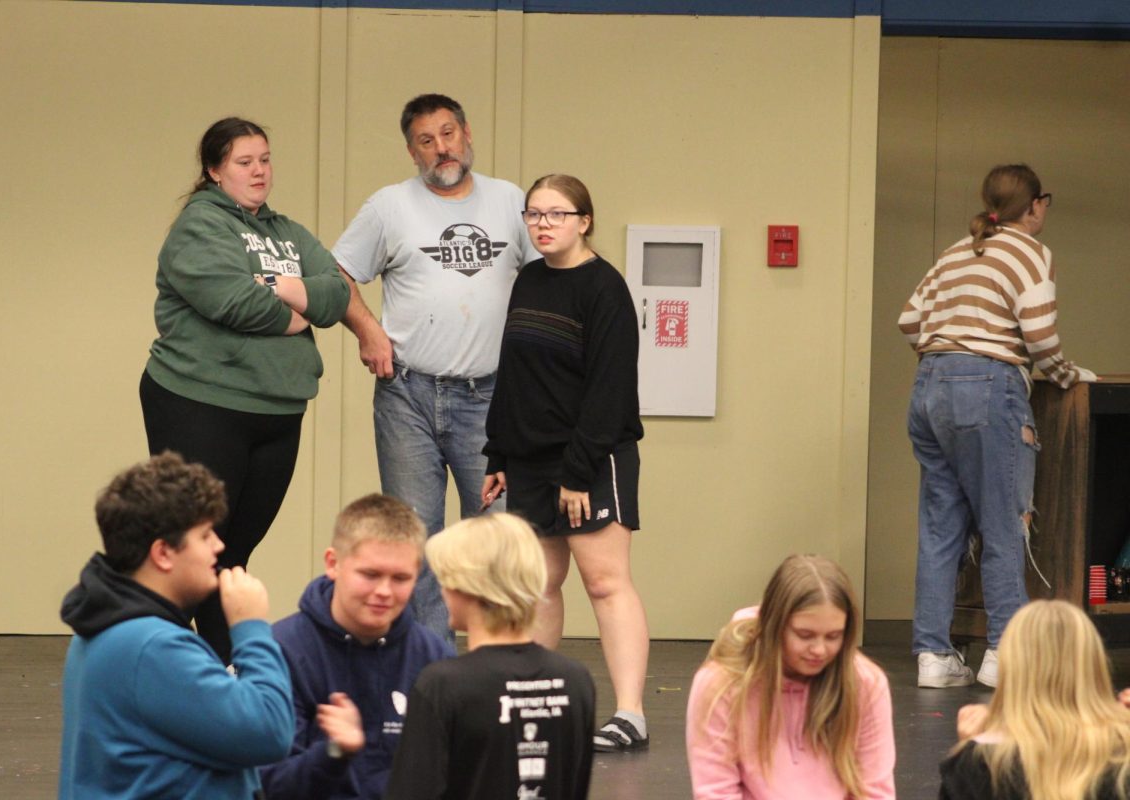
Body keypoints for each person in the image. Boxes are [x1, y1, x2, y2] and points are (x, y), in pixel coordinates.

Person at [140, 117, 350, 663]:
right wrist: (298, 313)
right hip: (202, 403)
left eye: (265, 159)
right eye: (243, 161)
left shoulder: (286, 231)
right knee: (191, 549)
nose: (259, 171)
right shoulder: (199, 227)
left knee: (234, 553)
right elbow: (235, 303)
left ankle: (218, 672)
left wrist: (285, 288)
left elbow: (335, 293)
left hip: (278, 411)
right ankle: (156, 664)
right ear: (214, 170)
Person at [332, 93, 536, 639]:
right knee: (414, 538)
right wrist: (368, 329)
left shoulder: (510, 201)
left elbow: (550, 280)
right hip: (408, 396)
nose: (441, 148)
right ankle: (430, 673)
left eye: (448, 133)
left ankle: (494, 667)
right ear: (411, 151)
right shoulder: (388, 207)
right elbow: (336, 275)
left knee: (496, 539)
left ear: (467, 134)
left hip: (492, 398)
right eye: (427, 140)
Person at [899, 164, 1095, 689]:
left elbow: (909, 321)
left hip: (928, 388)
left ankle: (933, 658)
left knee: (941, 530)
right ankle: (1002, 654)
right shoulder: (1030, 252)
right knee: (1005, 523)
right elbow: (1039, 335)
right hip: (988, 387)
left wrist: (948, 354)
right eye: (1044, 201)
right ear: (1033, 205)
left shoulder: (957, 251)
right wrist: (1065, 374)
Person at [481, 173, 649, 752]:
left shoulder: (605, 288)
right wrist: (498, 453)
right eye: (534, 214)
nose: (543, 224)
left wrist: (578, 472)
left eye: (556, 214)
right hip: (528, 460)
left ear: (584, 221)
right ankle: (538, 703)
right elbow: (514, 373)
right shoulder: (529, 280)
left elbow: (609, 391)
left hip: (592, 458)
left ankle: (630, 714)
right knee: (541, 585)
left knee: (605, 582)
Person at [58, 452, 294, 800]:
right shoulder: (151, 647)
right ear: (163, 553)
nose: (219, 546)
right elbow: (269, 731)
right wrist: (251, 627)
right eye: (205, 535)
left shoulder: (106, 628)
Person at [383, 513, 595, 800]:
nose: (442, 592)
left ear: (466, 587)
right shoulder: (575, 681)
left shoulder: (443, 685)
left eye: (445, 580)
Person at [259, 494, 455, 800]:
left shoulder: (432, 657)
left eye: (401, 578)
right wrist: (334, 752)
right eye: (370, 574)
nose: (384, 592)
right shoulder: (280, 651)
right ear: (333, 563)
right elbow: (267, 785)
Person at [685, 554, 896, 799]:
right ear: (775, 625)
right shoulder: (721, 684)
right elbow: (716, 791)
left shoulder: (866, 683)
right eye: (805, 635)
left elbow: (875, 790)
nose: (819, 650)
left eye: (833, 636)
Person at [939, 600, 1130, 799]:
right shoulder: (1120, 760)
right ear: (1095, 665)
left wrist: (967, 758)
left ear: (1010, 669)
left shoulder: (979, 765)